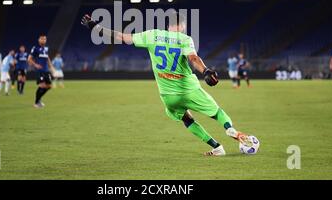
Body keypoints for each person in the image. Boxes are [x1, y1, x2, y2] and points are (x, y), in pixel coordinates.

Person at [81, 12, 252, 156]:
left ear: (168, 25)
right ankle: (229, 128)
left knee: (187, 119)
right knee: (217, 113)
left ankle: (217, 147)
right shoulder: (185, 39)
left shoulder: (152, 35)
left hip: (168, 96)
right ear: (182, 26)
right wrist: (206, 71)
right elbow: (193, 58)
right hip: (189, 90)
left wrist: (96, 27)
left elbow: (122, 37)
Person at [28, 35, 55, 108]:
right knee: (42, 85)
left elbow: (47, 58)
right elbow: (29, 59)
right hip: (40, 71)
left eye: (45, 39)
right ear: (39, 40)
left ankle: (39, 99)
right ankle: (36, 103)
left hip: (46, 71)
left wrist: (51, 68)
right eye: (42, 39)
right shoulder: (35, 48)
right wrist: (35, 65)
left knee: (49, 86)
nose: (43, 40)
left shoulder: (46, 49)